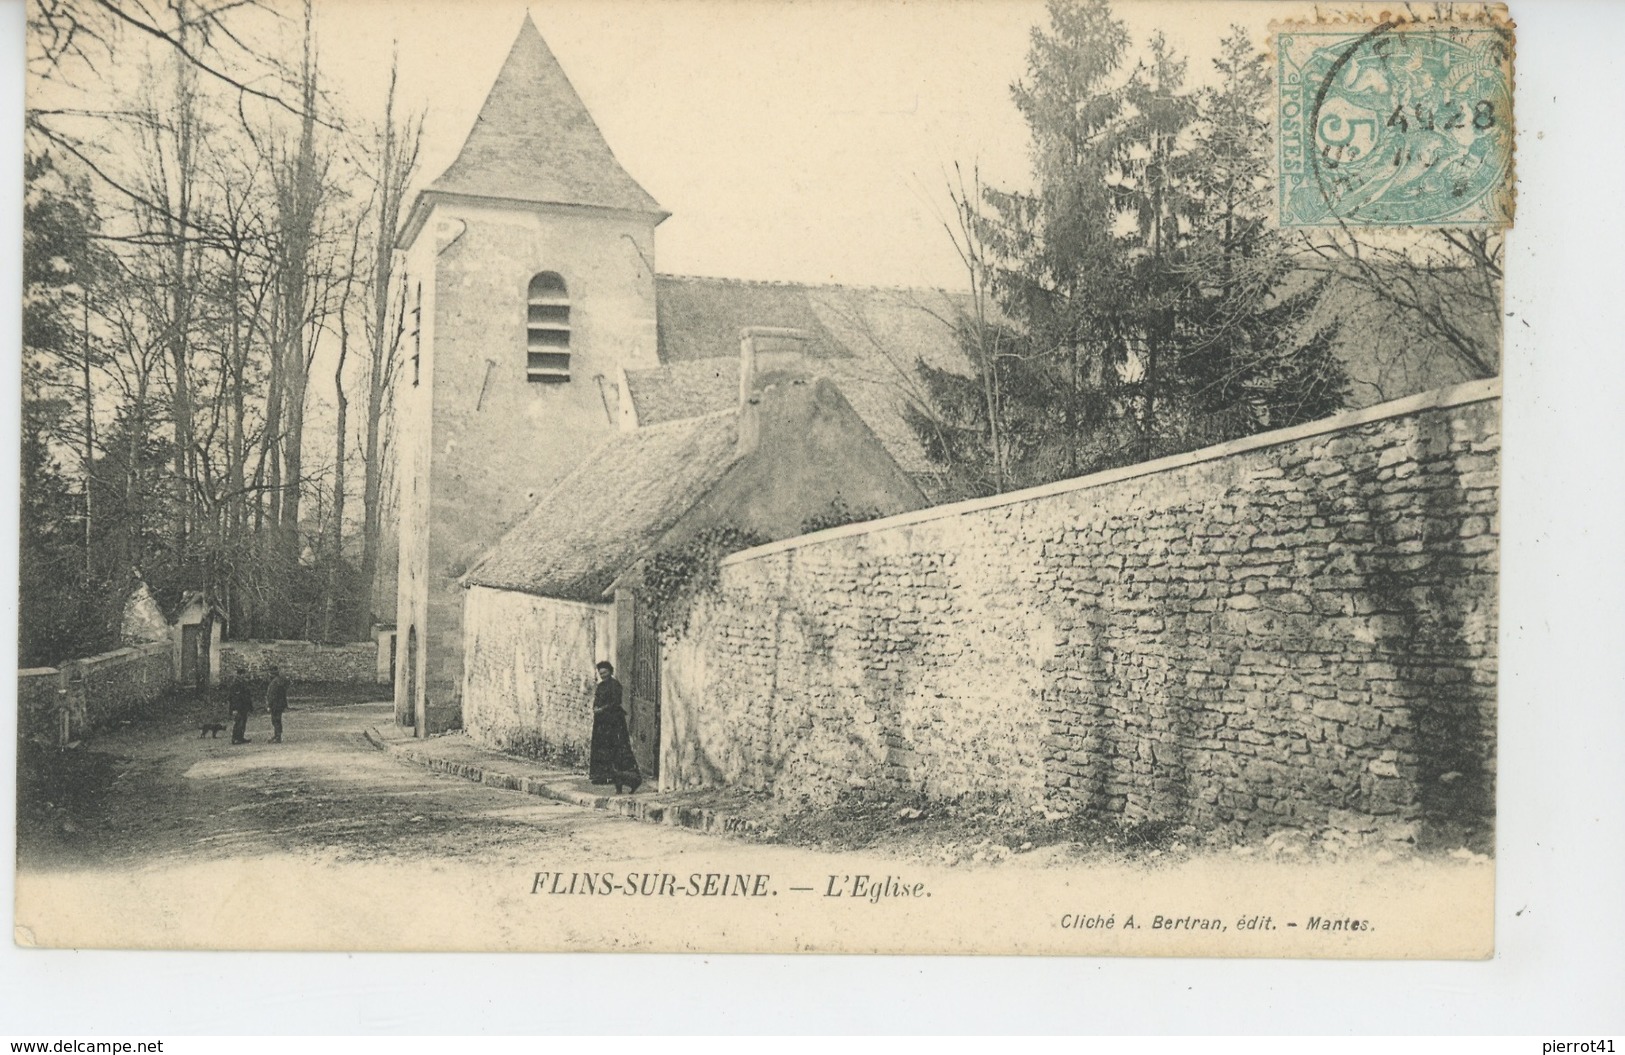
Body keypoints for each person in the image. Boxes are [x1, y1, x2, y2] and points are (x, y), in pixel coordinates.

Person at [588, 661, 642, 794]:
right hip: (601, 722)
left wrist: (602, 709)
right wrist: (595, 708)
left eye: (605, 673)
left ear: (610, 672)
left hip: (613, 722)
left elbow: (615, 702)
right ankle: (602, 776)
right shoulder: (600, 686)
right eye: (601, 674)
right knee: (601, 748)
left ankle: (625, 777)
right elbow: (596, 699)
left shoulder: (615, 685)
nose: (603, 676)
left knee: (616, 748)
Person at [264, 666, 289, 743]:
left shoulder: (274, 682)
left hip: (275, 704)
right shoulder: (278, 681)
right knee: (277, 720)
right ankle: (277, 736)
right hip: (279, 704)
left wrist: (269, 705)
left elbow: (272, 695)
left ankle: (277, 737)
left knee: (275, 720)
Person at [227, 676, 254, 744]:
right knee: (238, 723)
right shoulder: (235, 685)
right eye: (242, 675)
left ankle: (240, 738)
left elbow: (247, 696)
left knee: (243, 723)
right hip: (238, 707)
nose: (243, 677)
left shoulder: (244, 684)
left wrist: (250, 707)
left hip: (244, 707)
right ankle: (235, 738)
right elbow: (233, 698)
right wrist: (234, 709)